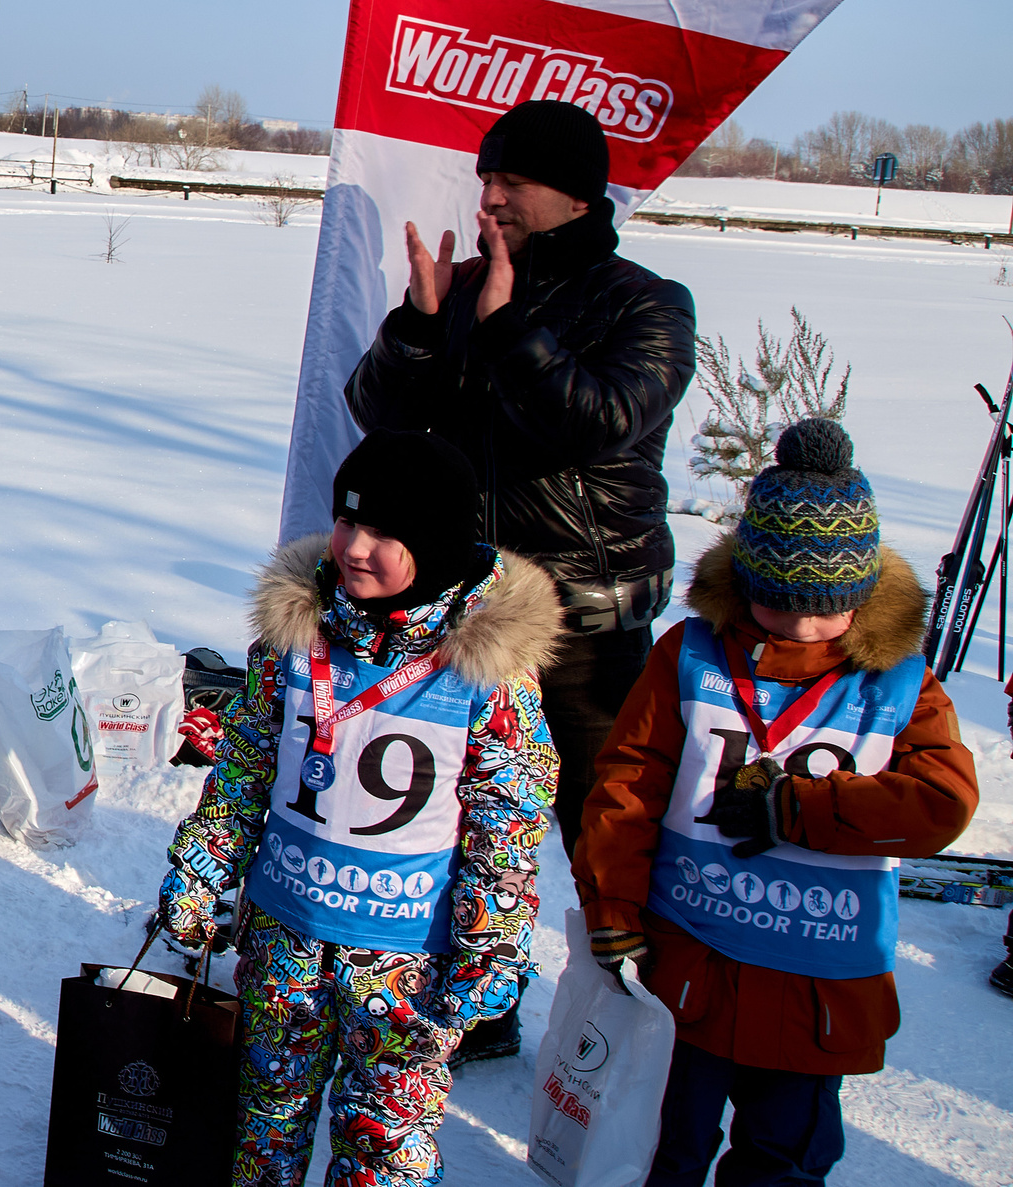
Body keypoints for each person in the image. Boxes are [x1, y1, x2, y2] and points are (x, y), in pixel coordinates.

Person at [344, 98, 696, 1058]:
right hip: (471, 616)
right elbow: (380, 417)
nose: (488, 196)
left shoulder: (646, 302)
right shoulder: (463, 291)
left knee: (604, 833)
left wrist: (502, 332)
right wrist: (420, 325)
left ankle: (632, 1026)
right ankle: (477, 1003)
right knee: (455, 825)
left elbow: (597, 420)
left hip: (583, 626)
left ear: (576, 197)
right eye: (485, 178)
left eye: (512, 182)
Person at [152, 429, 562, 1187]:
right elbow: (244, 768)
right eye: (347, 520)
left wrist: (493, 942)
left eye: (384, 531)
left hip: (406, 968)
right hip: (286, 944)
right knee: (258, 1130)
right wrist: (201, 871)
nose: (354, 545)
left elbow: (506, 821)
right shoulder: (299, 638)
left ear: (435, 545)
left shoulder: (485, 673)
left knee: (385, 1151)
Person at [575, 420, 977, 1187]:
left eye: (824, 609)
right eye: (778, 603)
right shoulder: (688, 654)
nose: (799, 627)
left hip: (815, 983)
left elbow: (943, 802)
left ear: (860, 596)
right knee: (660, 1151)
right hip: (689, 962)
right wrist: (613, 910)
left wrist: (797, 809)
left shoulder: (897, 680)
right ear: (747, 584)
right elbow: (625, 788)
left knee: (784, 1162)